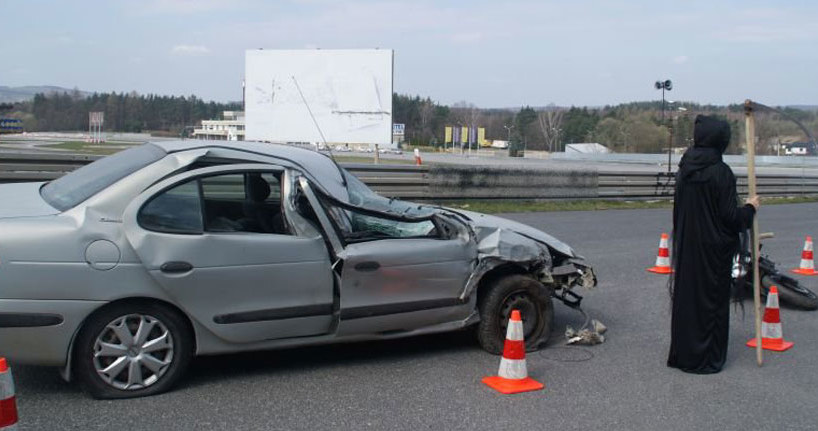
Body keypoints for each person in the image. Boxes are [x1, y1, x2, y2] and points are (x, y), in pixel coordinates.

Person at [667, 115, 760, 374]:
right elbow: (731, 218)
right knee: (711, 305)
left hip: (688, 249)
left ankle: (683, 354)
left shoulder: (685, 169)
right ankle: (705, 359)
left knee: (688, 302)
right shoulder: (720, 173)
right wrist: (751, 209)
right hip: (713, 253)